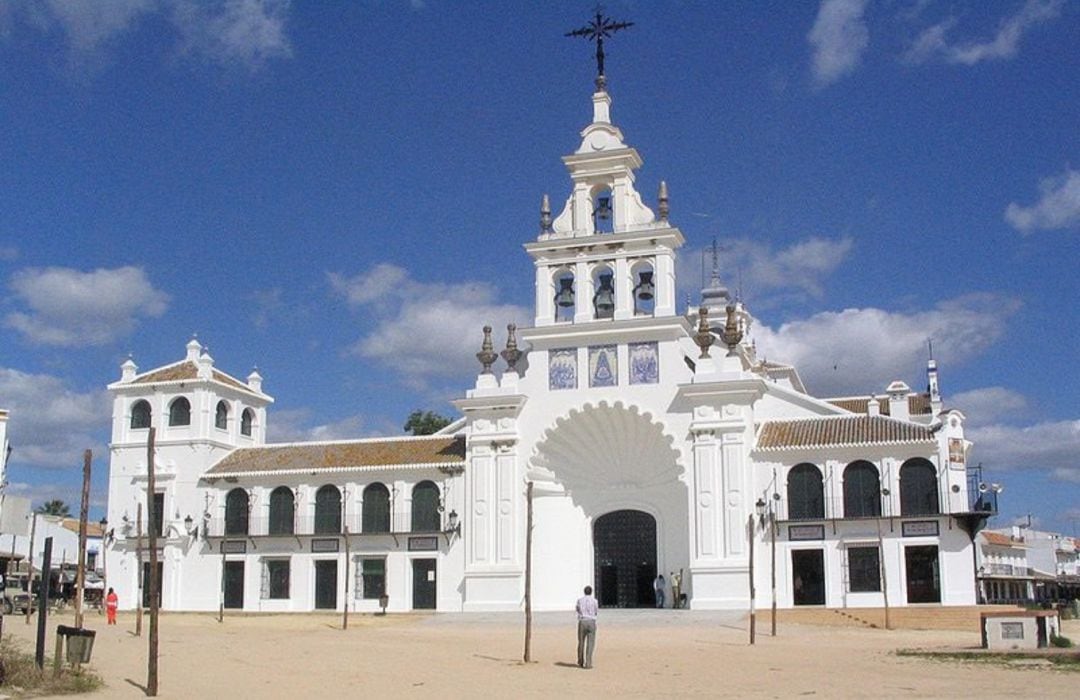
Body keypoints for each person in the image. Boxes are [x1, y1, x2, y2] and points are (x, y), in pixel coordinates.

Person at [575, 585, 598, 669]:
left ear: (584, 591)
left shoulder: (580, 600)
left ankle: (580, 661)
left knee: (581, 642)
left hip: (582, 621)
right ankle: (588, 663)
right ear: (591, 592)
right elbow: (596, 611)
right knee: (590, 643)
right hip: (591, 621)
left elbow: (577, 609)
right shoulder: (595, 601)